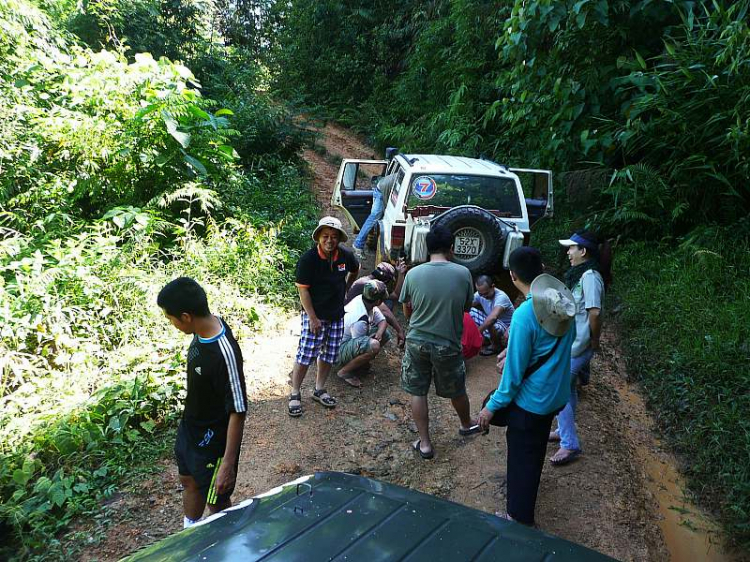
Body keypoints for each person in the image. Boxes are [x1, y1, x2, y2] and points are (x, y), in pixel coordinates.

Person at [478, 247, 576, 526]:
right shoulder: (562, 301)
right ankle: (523, 499)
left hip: (531, 401)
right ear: (542, 268)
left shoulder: (524, 314)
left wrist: (490, 409)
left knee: (522, 457)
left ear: (512, 275)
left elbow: (513, 378)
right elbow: (565, 342)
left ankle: (518, 519)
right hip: (554, 396)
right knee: (533, 451)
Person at [157, 277, 247, 528]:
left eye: (170, 318)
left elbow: (238, 410)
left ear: (186, 316)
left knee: (216, 501)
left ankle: (226, 545)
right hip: (190, 428)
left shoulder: (224, 352)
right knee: (188, 480)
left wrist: (227, 464)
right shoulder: (202, 328)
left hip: (213, 442)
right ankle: (190, 532)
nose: (170, 323)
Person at [399, 225, 482, 460]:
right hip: (448, 344)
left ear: (428, 247)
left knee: (418, 391)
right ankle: (466, 424)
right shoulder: (463, 273)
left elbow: (406, 306)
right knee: (456, 388)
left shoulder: (413, 274)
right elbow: (465, 308)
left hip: (417, 341)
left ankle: (425, 444)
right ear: (451, 248)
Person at [549, 230, 609, 466]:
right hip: (573, 344)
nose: (568, 252)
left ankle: (570, 445)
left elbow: (594, 312)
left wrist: (595, 341)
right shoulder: (580, 275)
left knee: (559, 389)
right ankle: (563, 432)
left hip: (580, 345)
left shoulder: (590, 277)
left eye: (572, 248)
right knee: (569, 390)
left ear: (583, 251)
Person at [289, 216, 359, 417]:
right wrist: (312, 318)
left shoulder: (345, 256)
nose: (330, 241)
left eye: (334, 237)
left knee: (329, 354)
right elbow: (303, 291)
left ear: (339, 239)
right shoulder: (308, 260)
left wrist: (346, 288)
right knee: (306, 354)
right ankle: (295, 393)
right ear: (318, 237)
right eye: (326, 236)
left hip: (336, 314)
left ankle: (319, 389)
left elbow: (355, 270)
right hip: (315, 314)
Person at [335, 280, 390, 387]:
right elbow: (360, 345)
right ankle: (344, 371)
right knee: (373, 346)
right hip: (338, 350)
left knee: (385, 334)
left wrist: (379, 333)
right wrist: (372, 347)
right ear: (378, 301)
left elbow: (383, 321)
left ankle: (360, 364)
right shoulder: (360, 320)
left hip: (347, 341)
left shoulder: (364, 300)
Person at [345, 260, 407, 347]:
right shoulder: (366, 286)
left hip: (351, 321)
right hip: (350, 329)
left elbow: (395, 295)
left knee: (387, 304)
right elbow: (385, 311)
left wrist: (401, 274)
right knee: (387, 306)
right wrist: (399, 331)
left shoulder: (369, 283)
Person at [352, 172, 398, 259]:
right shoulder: (407, 176)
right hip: (381, 193)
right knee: (373, 218)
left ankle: (366, 243)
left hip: (380, 189)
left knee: (375, 219)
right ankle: (358, 245)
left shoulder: (402, 173)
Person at [469, 274, 515, 355]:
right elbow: (466, 305)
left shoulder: (501, 297)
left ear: (493, 286)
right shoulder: (481, 293)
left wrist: (476, 333)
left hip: (507, 327)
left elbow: (493, 318)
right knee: (470, 311)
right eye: (481, 294)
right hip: (494, 323)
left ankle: (496, 346)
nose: (483, 296)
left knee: (491, 322)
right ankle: (486, 339)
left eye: (486, 293)